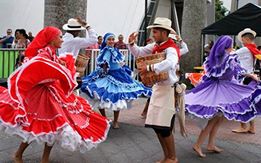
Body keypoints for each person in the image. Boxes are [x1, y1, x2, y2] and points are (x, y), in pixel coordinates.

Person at [0, 26, 110, 163]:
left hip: (53, 92)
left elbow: (54, 67)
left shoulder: (51, 53)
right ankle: (18, 154)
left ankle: (45, 159)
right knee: (34, 125)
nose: (62, 40)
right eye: (59, 37)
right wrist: (61, 72)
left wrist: (62, 65)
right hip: (41, 95)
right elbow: (38, 68)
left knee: (56, 126)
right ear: (52, 40)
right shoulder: (43, 54)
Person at [185, 35, 261, 158]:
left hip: (216, 89)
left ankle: (210, 144)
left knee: (218, 118)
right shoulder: (229, 59)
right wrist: (251, 75)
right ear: (228, 46)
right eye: (230, 45)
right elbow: (238, 71)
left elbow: (211, 75)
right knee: (214, 119)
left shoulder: (213, 59)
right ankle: (198, 144)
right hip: (223, 90)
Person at [128, 17, 181, 163]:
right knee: (156, 126)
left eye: (155, 31)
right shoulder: (155, 46)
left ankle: (173, 157)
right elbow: (139, 52)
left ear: (165, 33)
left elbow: (171, 62)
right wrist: (131, 43)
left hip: (168, 91)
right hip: (158, 89)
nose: (153, 34)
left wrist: (150, 67)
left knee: (164, 127)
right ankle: (167, 156)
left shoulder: (171, 48)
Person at [81, 33, 151, 129]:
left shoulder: (114, 50)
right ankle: (107, 119)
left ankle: (113, 120)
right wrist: (104, 71)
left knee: (117, 98)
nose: (111, 41)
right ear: (105, 41)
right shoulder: (107, 50)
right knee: (105, 97)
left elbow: (119, 62)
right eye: (109, 39)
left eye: (112, 39)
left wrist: (123, 68)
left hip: (118, 74)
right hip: (109, 75)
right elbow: (104, 62)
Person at [232, 28, 261, 134]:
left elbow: (231, 55)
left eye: (243, 40)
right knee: (249, 103)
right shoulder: (255, 49)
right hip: (252, 78)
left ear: (247, 39)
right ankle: (252, 127)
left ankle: (243, 126)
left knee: (241, 103)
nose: (242, 42)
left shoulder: (245, 49)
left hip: (244, 79)